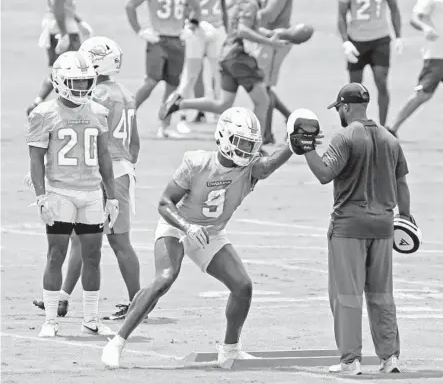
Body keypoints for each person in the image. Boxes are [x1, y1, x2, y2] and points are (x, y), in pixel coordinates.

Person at [101, 107, 296, 368]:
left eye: (251, 144)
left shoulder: (251, 168)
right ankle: (117, 341)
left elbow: (269, 165)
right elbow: (164, 203)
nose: (246, 150)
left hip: (212, 233)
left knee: (243, 287)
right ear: (224, 137)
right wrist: (187, 227)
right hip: (178, 227)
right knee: (164, 279)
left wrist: (293, 143)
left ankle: (230, 351)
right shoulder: (197, 162)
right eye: (240, 142)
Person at [291, 82, 412, 375]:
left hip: (348, 227)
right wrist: (406, 219)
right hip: (383, 227)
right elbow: (402, 185)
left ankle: (350, 360)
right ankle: (389, 357)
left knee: (346, 296)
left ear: (345, 107)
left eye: (339, 109)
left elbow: (323, 174)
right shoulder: (390, 139)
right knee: (382, 294)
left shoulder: (344, 137)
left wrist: (307, 149)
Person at [32, 37, 141, 321]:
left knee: (118, 242)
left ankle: (138, 302)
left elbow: (84, 137)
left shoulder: (98, 96)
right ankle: (64, 298)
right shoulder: (125, 92)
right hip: (120, 168)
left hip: (102, 170)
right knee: (83, 239)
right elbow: (136, 144)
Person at [26, 51, 119, 338]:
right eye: (75, 83)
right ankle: (51, 319)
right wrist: (41, 196)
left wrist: (111, 196)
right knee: (56, 255)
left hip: (91, 193)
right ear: (59, 81)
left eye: (85, 82)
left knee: (93, 256)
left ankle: (90, 318)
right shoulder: (43, 114)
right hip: (60, 193)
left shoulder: (98, 111)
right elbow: (35, 159)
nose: (81, 89)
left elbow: (104, 156)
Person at [159, 0, 287, 137]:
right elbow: (242, 31)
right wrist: (268, 42)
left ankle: (180, 103)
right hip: (240, 58)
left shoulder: (242, 2)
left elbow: (245, 28)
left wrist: (271, 34)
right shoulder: (251, 4)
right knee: (262, 102)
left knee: (223, 105)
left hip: (226, 56)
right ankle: (256, 144)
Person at [124, 0, 200, 138]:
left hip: (177, 40)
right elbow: (130, 5)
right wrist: (140, 30)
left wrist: (190, 27)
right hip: (158, 40)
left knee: (173, 86)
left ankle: (164, 127)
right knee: (151, 82)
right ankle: (124, 117)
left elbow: (196, 10)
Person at [26, 0, 93, 116]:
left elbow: (63, 5)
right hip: (61, 26)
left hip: (56, 24)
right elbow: (58, 6)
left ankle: (38, 102)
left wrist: (79, 20)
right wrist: (64, 32)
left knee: (61, 71)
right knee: (75, 71)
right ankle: (69, 112)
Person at [338, 0, 403, 127]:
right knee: (353, 88)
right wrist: (345, 41)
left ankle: (381, 128)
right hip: (356, 40)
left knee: (381, 82)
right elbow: (341, 15)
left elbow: (394, 9)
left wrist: (398, 36)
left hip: (380, 39)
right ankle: (353, 126)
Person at [170, 0, 230, 134]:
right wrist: (196, 23)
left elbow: (224, 8)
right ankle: (181, 117)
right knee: (190, 75)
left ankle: (224, 119)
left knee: (220, 75)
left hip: (218, 30)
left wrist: (227, 32)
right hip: (196, 31)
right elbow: (182, 5)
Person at [387, 0, 443, 137]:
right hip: (437, 55)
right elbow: (415, 17)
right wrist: (426, 27)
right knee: (423, 94)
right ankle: (392, 128)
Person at [258, 0, 294, 144]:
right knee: (264, 86)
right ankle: (288, 117)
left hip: (275, 40)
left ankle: (267, 134)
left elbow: (270, 14)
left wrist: (248, 12)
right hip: (269, 39)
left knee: (263, 87)